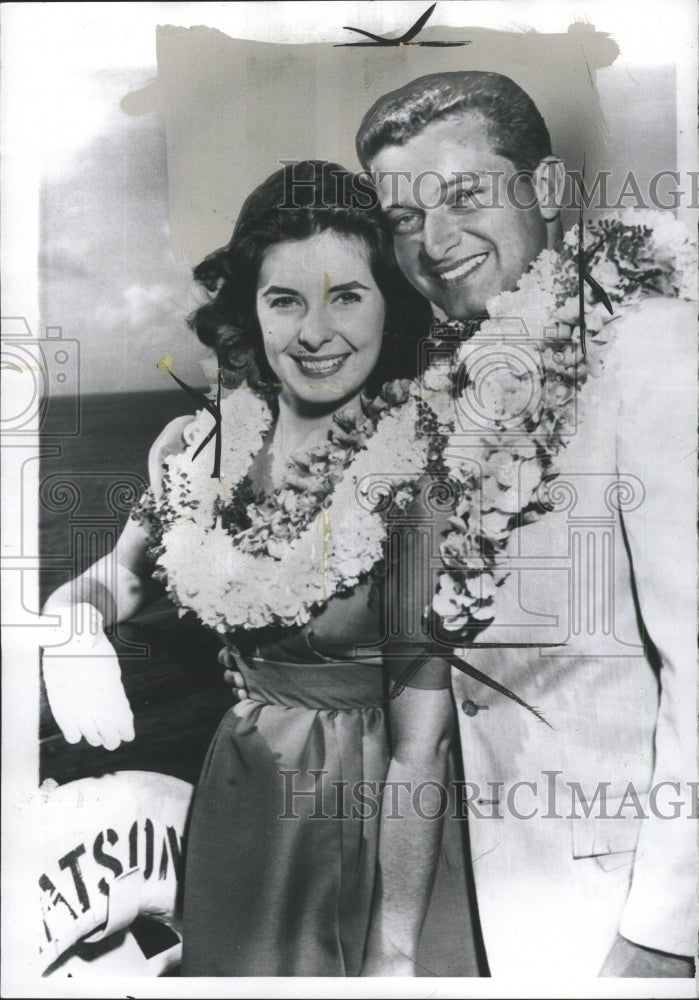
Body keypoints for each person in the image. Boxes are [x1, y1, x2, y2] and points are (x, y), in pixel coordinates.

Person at [227, 71, 697, 979]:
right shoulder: (462, 382)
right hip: (499, 899)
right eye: (405, 219)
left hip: (625, 915)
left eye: (465, 196)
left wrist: (663, 935)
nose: (435, 245)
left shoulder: (652, 348)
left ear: (549, 191)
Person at [41, 160, 467, 976]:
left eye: (347, 294)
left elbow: (424, 746)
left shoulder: (418, 478)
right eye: (284, 299)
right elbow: (115, 581)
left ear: (392, 303)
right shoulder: (197, 451)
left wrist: (396, 952)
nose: (314, 332)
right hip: (242, 793)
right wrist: (72, 625)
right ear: (249, 310)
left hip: (374, 813)